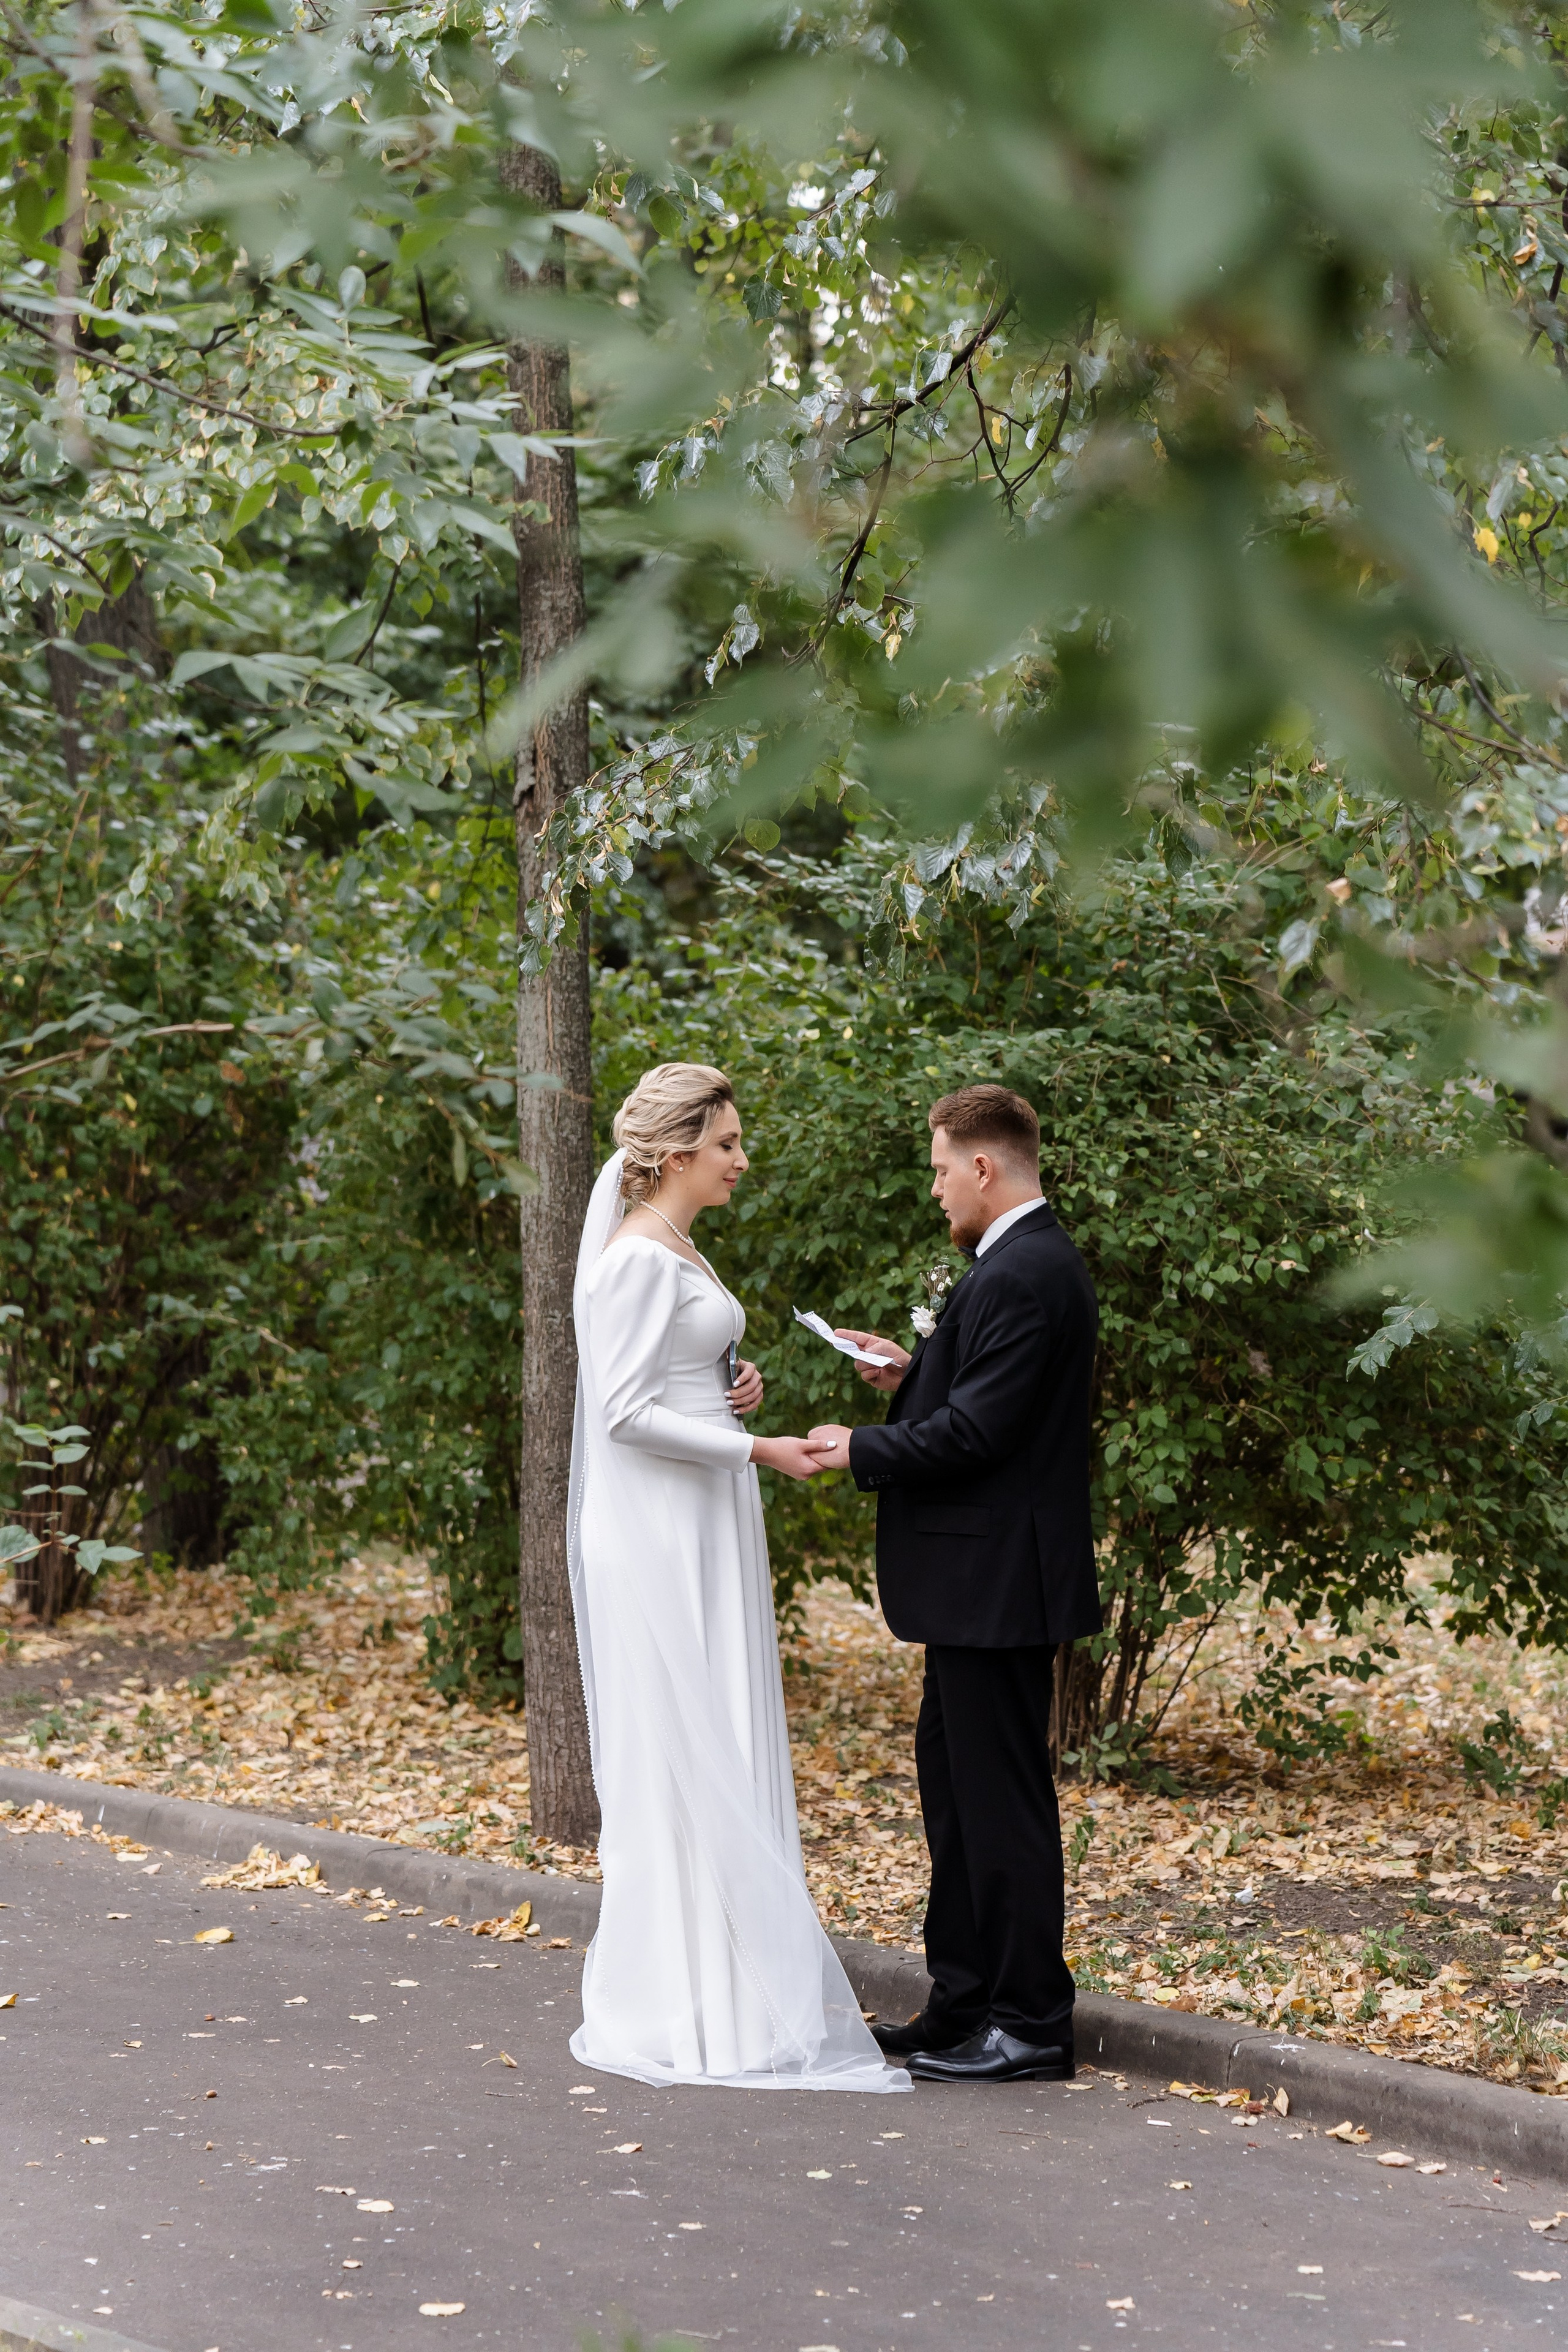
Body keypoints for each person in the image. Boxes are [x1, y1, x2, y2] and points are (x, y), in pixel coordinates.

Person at [567, 1061, 907, 2095]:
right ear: (676, 1154)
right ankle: (694, 2006)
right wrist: (756, 1449)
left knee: (720, 1730)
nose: (741, 1161)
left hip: (705, 1509)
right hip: (666, 1528)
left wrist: (733, 1387)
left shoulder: (677, 1245)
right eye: (726, 1145)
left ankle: (741, 1993)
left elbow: (671, 1375)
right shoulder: (636, 1257)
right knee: (685, 1744)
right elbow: (623, 1413)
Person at [805, 1084, 1100, 2085]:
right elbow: (982, 1398)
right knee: (958, 1798)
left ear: (983, 1165)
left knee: (1001, 1806)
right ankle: (964, 2004)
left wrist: (861, 1447)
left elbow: (979, 1435)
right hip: (981, 1587)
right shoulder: (1016, 1265)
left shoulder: (1026, 1271)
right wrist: (912, 1373)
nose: (935, 1189)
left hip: (999, 1585)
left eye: (940, 1170)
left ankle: (1031, 2023)